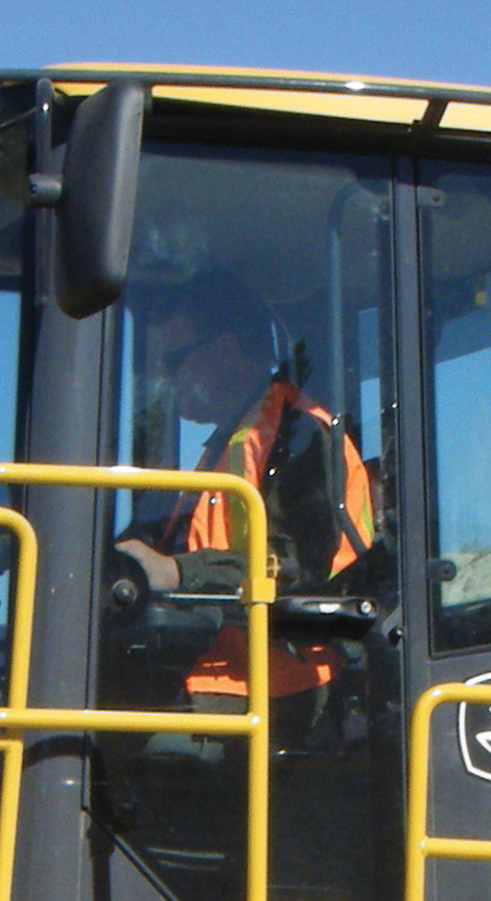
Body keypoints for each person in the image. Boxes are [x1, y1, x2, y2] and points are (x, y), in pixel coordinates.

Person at [111, 270, 379, 709]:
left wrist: (177, 572)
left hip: (276, 686)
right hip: (214, 668)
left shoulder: (301, 434)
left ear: (225, 350)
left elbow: (300, 562)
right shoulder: (230, 444)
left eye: (174, 360)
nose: (163, 375)